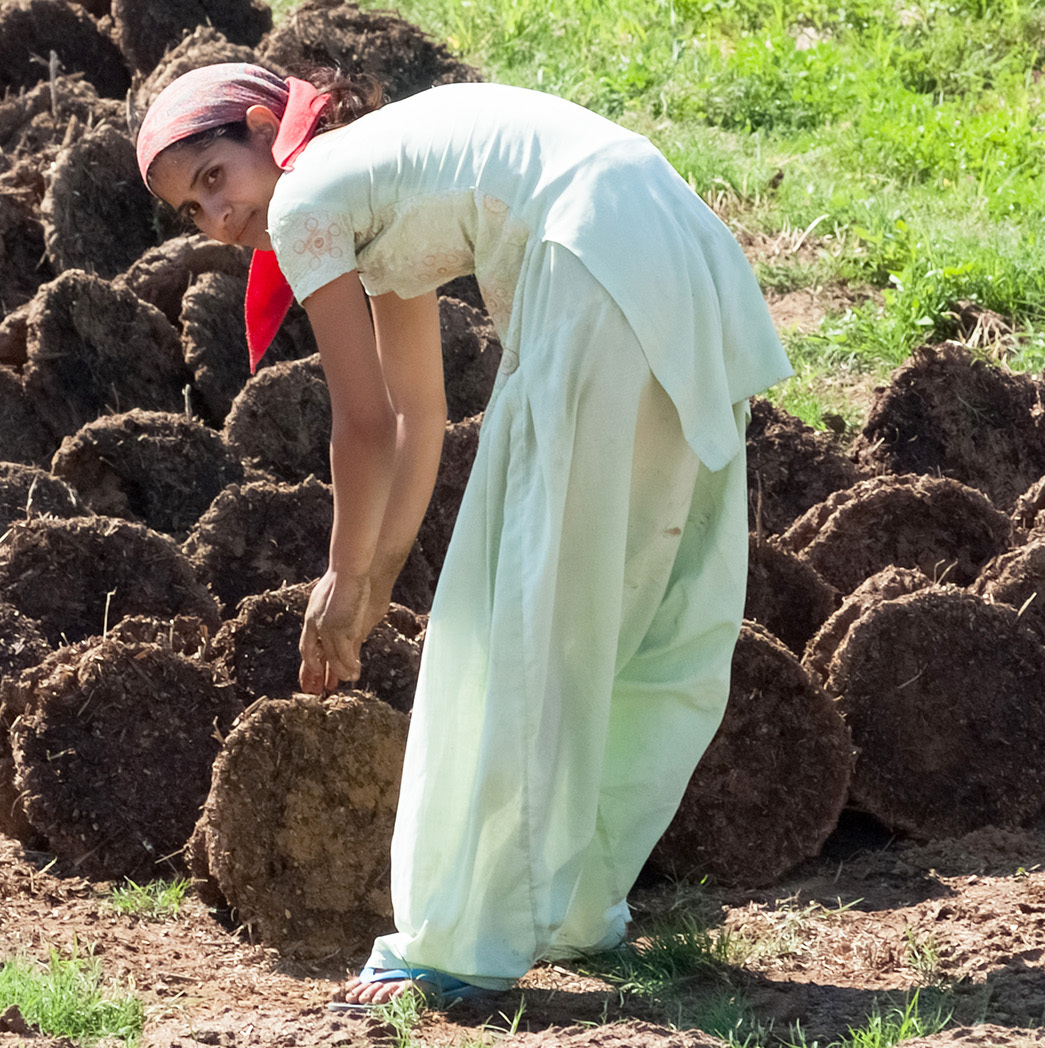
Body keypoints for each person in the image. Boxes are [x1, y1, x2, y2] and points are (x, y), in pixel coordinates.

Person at [135, 63, 792, 1010]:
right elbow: (418, 417)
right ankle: (568, 902)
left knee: (508, 624)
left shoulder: (306, 198)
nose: (215, 217)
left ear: (260, 125)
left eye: (213, 179)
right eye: (189, 211)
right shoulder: (372, 181)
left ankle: (455, 942)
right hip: (669, 238)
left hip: (590, 258)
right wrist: (372, 584)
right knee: (633, 597)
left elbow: (360, 424)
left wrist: (339, 576)